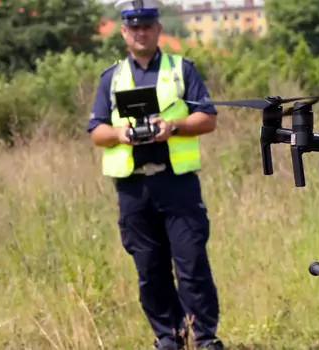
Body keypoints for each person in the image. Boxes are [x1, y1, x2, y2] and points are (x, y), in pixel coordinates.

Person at [87, 0, 223, 349]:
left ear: (159, 29)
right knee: (150, 270)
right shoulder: (111, 77)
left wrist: (173, 126)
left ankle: (204, 338)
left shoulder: (182, 70)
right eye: (134, 27)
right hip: (134, 188)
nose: (141, 32)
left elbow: (207, 118)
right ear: (124, 32)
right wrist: (120, 134)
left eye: (147, 25)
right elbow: (96, 130)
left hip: (176, 183)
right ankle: (169, 336)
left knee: (192, 264)